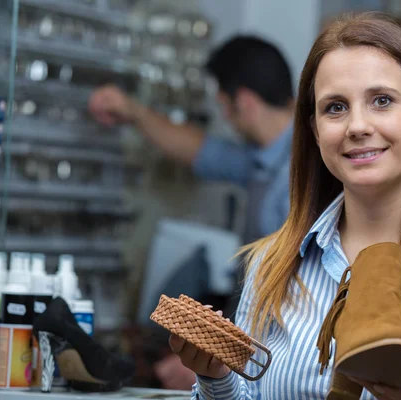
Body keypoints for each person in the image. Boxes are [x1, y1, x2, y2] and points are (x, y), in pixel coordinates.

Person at [169, 12, 401, 400]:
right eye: (335, 107)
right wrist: (216, 378)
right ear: (316, 131)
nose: (357, 126)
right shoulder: (273, 264)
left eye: (381, 101)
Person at [88, 36, 295, 390]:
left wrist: (220, 362)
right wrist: (134, 112)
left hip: (277, 360)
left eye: (223, 105)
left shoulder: (302, 171)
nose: (224, 118)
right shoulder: (261, 159)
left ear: (243, 101)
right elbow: (199, 149)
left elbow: (292, 299)